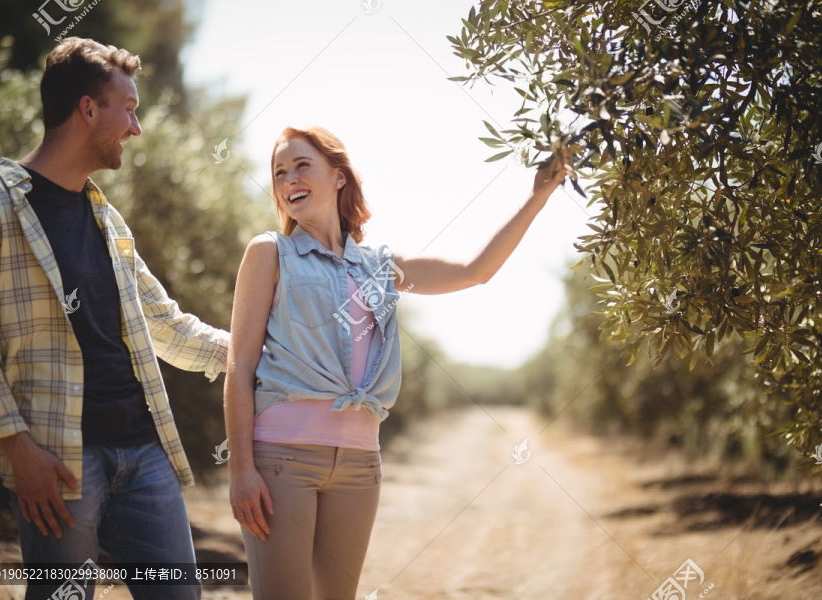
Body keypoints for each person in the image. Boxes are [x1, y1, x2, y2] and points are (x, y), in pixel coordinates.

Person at [0, 37, 229, 600]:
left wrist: (253, 349)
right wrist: (18, 450)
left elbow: (165, 323)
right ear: (89, 109)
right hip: (59, 463)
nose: (136, 128)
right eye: (130, 108)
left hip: (146, 454)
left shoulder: (108, 219)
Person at [224, 125, 570, 599]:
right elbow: (239, 366)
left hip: (361, 463)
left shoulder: (379, 267)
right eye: (279, 172)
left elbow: (477, 271)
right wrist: (241, 468)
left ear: (338, 176)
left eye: (302, 165)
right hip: (282, 458)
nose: (289, 179)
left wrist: (539, 197)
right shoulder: (270, 252)